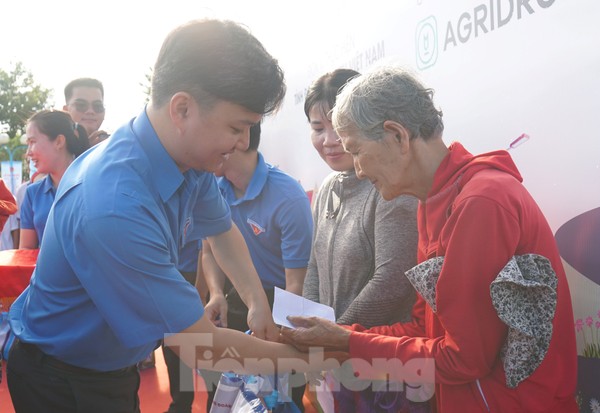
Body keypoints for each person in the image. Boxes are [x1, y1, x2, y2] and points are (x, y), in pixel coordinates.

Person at [6, 19, 331, 413]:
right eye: (237, 127)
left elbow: (222, 230)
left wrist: (256, 303)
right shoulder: (112, 207)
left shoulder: (187, 159)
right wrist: (321, 359)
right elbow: (202, 347)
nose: (244, 143)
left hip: (110, 364)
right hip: (61, 379)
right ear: (182, 109)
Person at [282, 66, 579, 412]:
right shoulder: (432, 202)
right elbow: (426, 329)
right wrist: (346, 340)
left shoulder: (480, 202)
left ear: (397, 136)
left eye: (358, 151)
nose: (359, 170)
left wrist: (348, 340)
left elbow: (464, 359)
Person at [301, 69, 420, 412]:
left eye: (338, 128)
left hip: (385, 369)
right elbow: (313, 266)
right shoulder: (325, 188)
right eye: (317, 128)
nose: (329, 140)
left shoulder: (390, 186)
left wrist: (335, 337)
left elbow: (393, 280)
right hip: (335, 362)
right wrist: (312, 330)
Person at [200, 122, 313, 411]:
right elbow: (210, 248)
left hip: (283, 307)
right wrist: (215, 293)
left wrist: (281, 330)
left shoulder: (288, 195)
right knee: (232, 394)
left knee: (280, 399)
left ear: (238, 139)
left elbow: (296, 284)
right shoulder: (212, 187)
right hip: (239, 302)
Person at [19, 110, 90, 249]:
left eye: (32, 142)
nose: (28, 152)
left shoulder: (92, 186)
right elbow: (26, 251)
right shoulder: (32, 193)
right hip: (46, 271)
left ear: (59, 141)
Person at [63, 77, 110, 145]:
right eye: (81, 105)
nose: (90, 111)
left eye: (98, 106)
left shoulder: (117, 146)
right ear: (66, 110)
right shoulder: (53, 146)